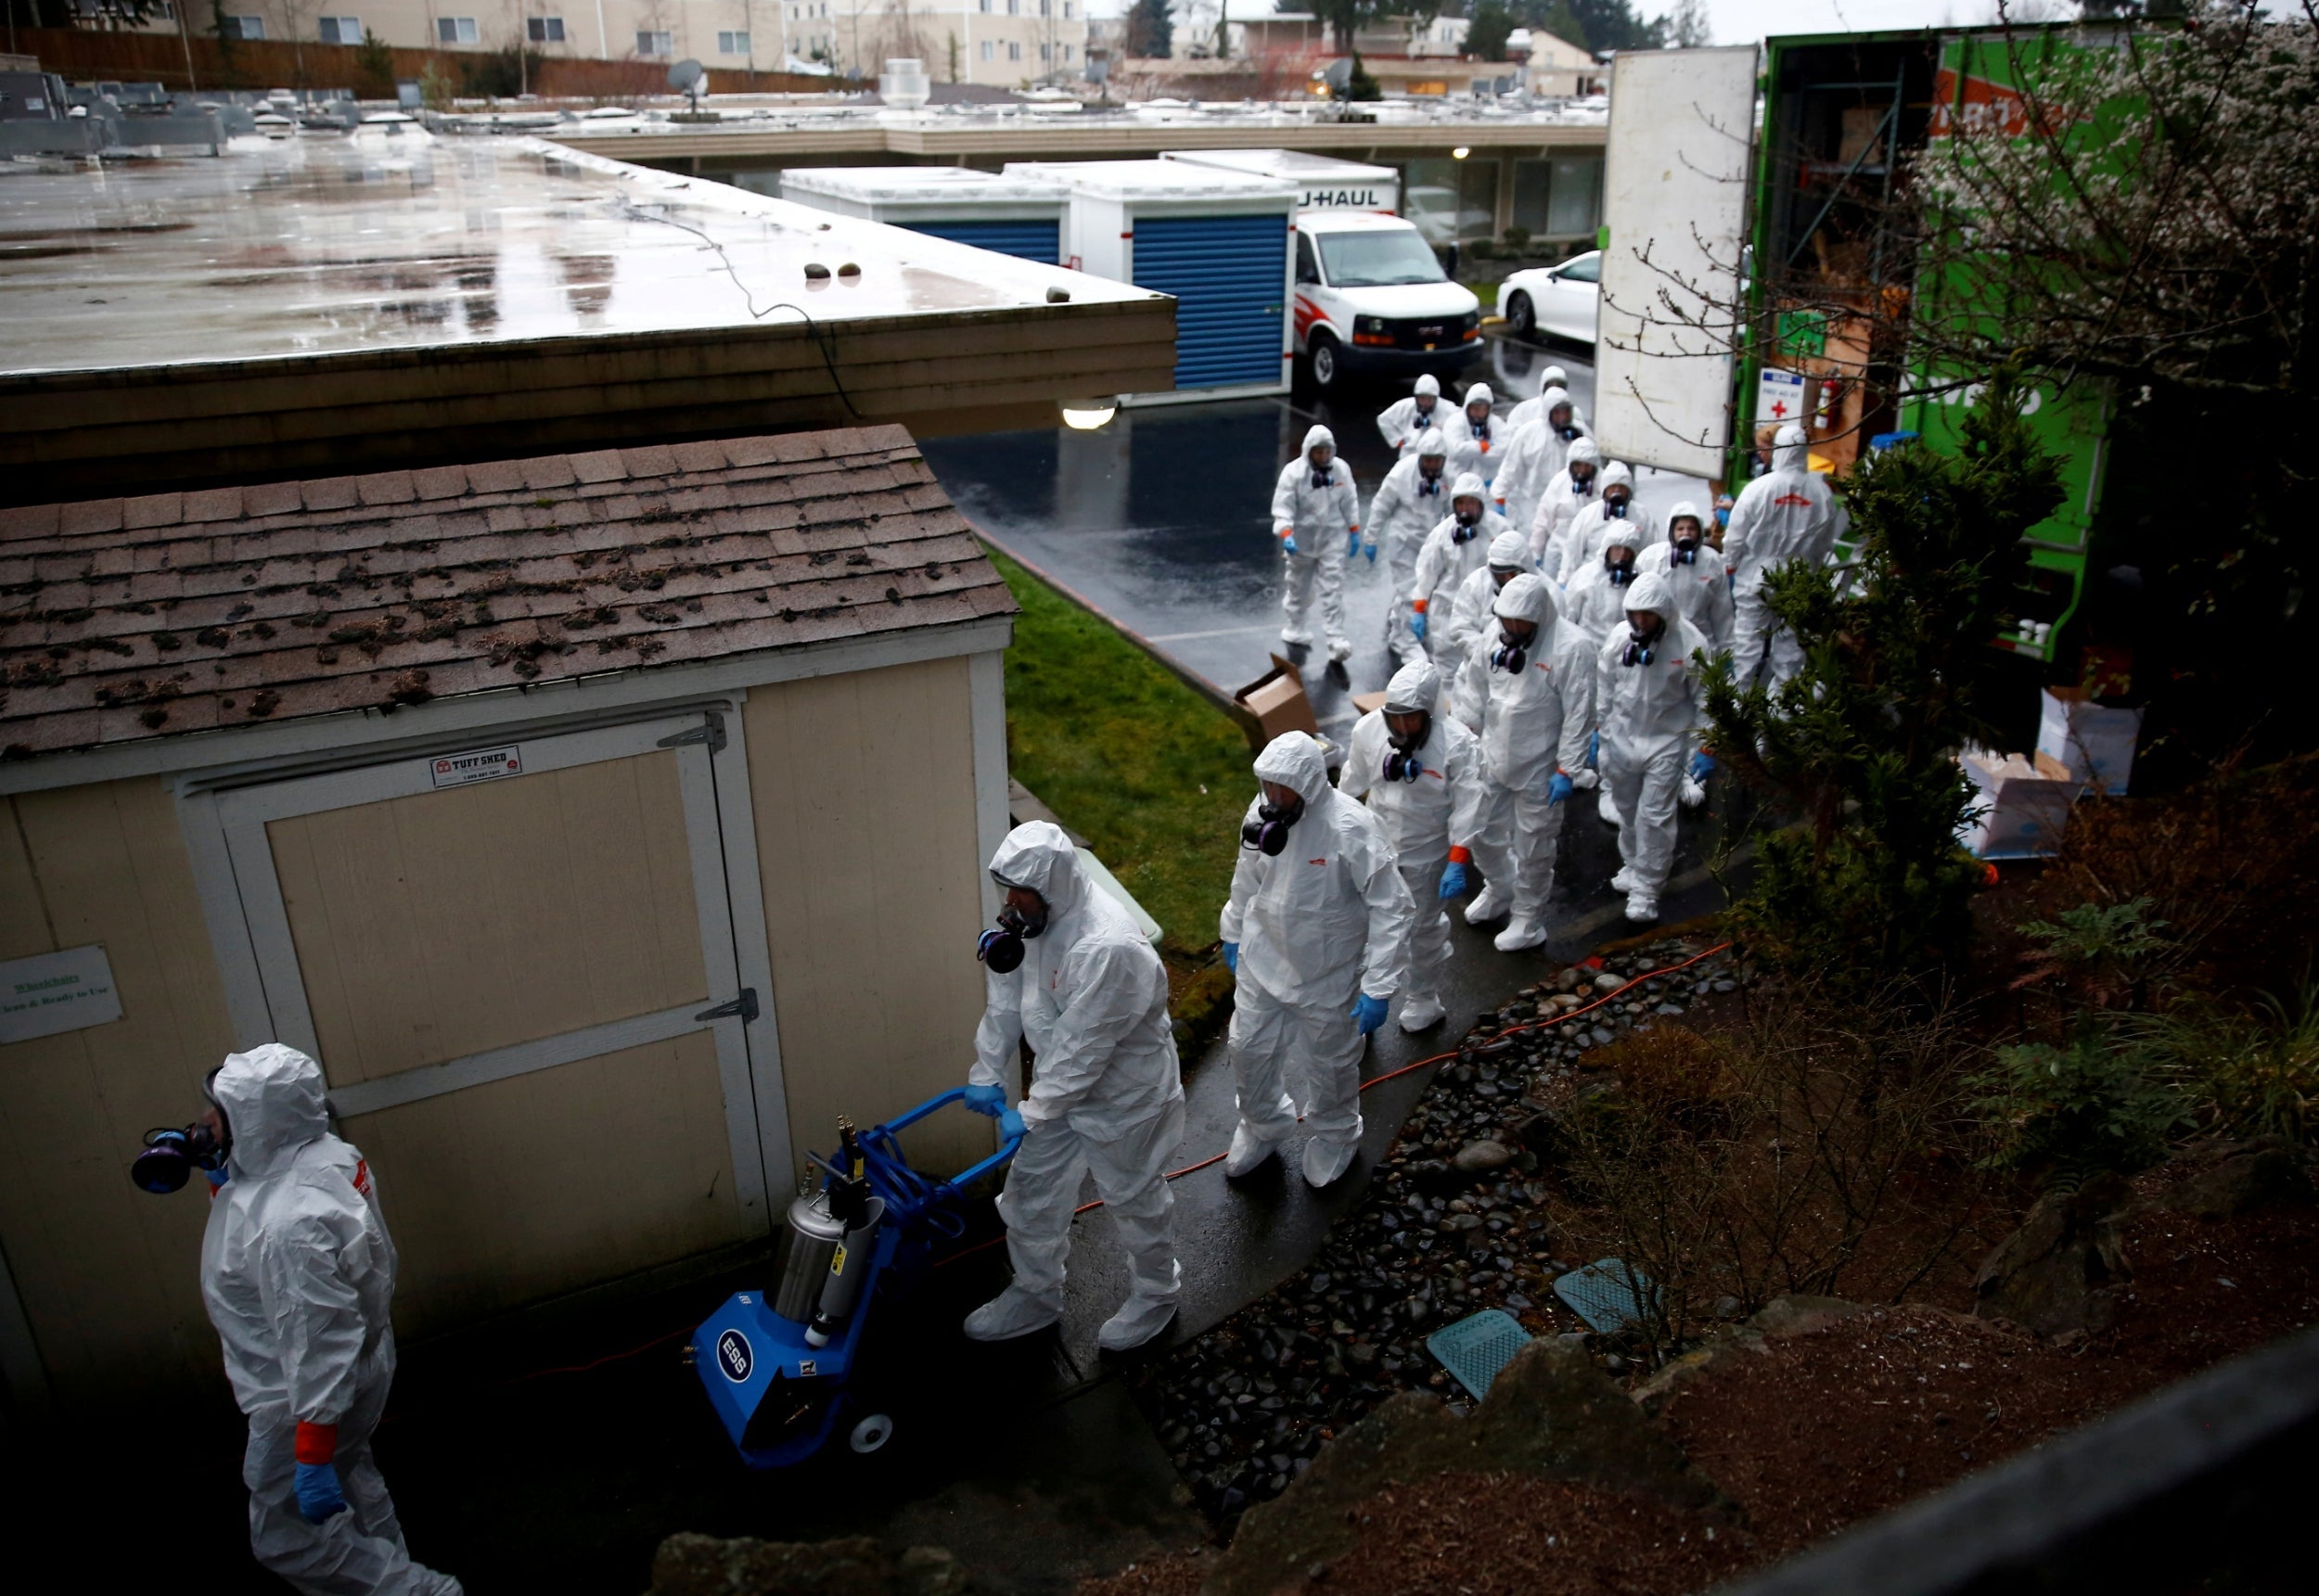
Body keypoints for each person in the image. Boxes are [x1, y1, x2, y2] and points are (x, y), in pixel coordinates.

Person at [196, 1043, 462, 1596]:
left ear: (254, 1122)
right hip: (353, 1369)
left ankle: (418, 1593)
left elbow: (317, 1332)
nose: (203, 1122)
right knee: (353, 1484)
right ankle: (388, 1565)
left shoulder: (287, 1226)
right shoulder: (323, 1154)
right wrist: (225, 1176)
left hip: (300, 1395)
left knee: (288, 1537)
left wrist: (311, 1445)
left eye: (218, 1112)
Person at [962, 822, 1185, 1350]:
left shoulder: (1107, 946)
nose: (1011, 903)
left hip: (1125, 1095)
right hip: (1058, 1089)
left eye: (1022, 892)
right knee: (1030, 1192)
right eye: (1007, 890)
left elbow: (1083, 1050)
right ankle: (1036, 1294)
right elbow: (1005, 1003)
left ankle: (1157, 1293)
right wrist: (987, 1072)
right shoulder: (1029, 925)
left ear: (1054, 887)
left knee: (1133, 1198)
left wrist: (1034, 1111)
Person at [1220, 732, 1414, 1187]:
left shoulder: (1351, 827)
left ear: (1307, 783)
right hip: (1263, 960)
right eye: (1266, 785)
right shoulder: (1262, 814)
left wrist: (1378, 987)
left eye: (1280, 788)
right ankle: (1262, 1124)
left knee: (1329, 1065)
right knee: (1248, 1050)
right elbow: (1246, 875)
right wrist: (1232, 930)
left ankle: (1335, 1135)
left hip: (1327, 974)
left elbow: (1392, 905)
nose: (1271, 797)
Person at [1340, 660, 1484, 1032]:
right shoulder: (1369, 730)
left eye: (1412, 720)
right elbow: (1348, 788)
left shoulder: (1458, 745)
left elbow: (1470, 803)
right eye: (1396, 719)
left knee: (1422, 929)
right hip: (1375, 848)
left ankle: (1424, 998)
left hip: (1428, 854)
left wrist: (1458, 857)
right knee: (1365, 924)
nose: (1403, 729)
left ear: (1431, 712)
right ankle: (1363, 994)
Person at [1461, 573, 1591, 951]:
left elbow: (1579, 713)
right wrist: (1465, 740)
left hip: (1540, 767)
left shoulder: (1571, 647)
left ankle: (1528, 919)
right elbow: (1474, 688)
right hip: (1492, 754)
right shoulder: (1493, 635)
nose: (1512, 630)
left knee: (1534, 845)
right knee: (1480, 828)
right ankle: (1499, 887)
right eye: (1507, 621)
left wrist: (1568, 767)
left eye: (1521, 623)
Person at [1594, 568, 1712, 923]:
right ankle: (1633, 864)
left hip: (1667, 743)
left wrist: (1707, 747)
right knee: (1627, 810)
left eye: (1649, 615)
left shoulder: (1690, 644)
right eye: (1635, 614)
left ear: (1665, 612)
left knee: (1655, 817)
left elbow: (1707, 700)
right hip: (1623, 740)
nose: (1641, 622)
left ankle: (1647, 889)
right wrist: (1598, 733)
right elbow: (1605, 689)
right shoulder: (1619, 640)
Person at [1724, 423, 1845, 692]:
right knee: (1790, 649)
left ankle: (1741, 704)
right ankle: (1783, 710)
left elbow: (1735, 535)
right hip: (1800, 579)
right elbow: (1825, 544)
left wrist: (1730, 563)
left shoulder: (1759, 489)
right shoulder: (1821, 493)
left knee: (1747, 644)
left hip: (1756, 577)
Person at [1636, 502, 1735, 811]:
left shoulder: (1712, 563)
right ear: (1670, 531)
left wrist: (1727, 652)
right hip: (1661, 645)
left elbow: (1723, 612)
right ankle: (1653, 769)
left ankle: (1692, 774)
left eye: (1691, 528)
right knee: (1659, 708)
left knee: (1697, 712)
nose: (1686, 534)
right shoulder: (1653, 559)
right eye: (1680, 528)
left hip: (1700, 648)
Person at [1270, 423, 1362, 663]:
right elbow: (1283, 506)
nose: (1323, 456)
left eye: (1326, 452)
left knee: (1333, 589)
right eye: (1318, 452)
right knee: (1298, 587)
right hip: (1301, 541)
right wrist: (1286, 533)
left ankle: (1335, 638)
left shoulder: (1341, 470)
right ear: (1308, 451)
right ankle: (1295, 626)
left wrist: (1353, 528)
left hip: (1332, 539)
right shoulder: (1294, 473)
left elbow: (1350, 500)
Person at [1366, 427, 1453, 659]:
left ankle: (1403, 627)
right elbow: (1381, 505)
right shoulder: (1402, 473)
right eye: (1429, 461)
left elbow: (1453, 512)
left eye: (1438, 461)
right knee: (1409, 591)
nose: (1433, 466)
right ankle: (1403, 641)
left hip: (1430, 544)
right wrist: (1370, 538)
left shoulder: (1447, 478)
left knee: (1427, 589)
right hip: (1403, 541)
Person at [1408, 472, 1503, 656]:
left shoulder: (1499, 529)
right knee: (1448, 670)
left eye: (1470, 503)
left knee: (1485, 667)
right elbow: (1427, 572)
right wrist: (1419, 607)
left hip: (1488, 611)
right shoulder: (1442, 533)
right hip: (1447, 612)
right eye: (1460, 503)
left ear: (1481, 503)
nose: (1465, 509)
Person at [1440, 528, 1534, 689]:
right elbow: (1460, 628)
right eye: (1501, 575)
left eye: (1513, 574)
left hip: (1526, 680)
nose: (1507, 580)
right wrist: (1492, 653)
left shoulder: (1545, 592)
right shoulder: (1476, 584)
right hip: (1479, 676)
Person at [1490, 385, 1585, 538]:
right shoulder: (1528, 434)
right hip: (1531, 507)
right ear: (1548, 412)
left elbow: (1594, 467)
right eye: (1558, 413)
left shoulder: (1580, 435)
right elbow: (1510, 469)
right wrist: (1499, 497)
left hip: (1567, 508)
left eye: (1566, 413)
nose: (1562, 418)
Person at [1552, 459, 1646, 588]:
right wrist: (1566, 581)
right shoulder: (1588, 515)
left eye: (1622, 488)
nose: (1617, 492)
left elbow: (1647, 553)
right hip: (1590, 583)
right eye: (1612, 487)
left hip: (1628, 584)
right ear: (1604, 490)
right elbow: (1573, 552)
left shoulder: (1642, 516)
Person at [1530, 437, 1601, 574]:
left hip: (1590, 555)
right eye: (1578, 465)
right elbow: (1543, 519)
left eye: (1587, 466)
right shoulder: (1559, 482)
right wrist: (1535, 552)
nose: (1582, 471)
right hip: (1558, 549)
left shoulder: (1604, 485)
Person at [1441, 381, 1501, 487]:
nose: (1479, 413)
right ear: (1468, 406)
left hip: (1487, 486)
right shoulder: (1455, 422)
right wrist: (1481, 447)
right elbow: (1456, 450)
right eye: (1476, 409)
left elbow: (1503, 452)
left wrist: (1472, 451)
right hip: (1457, 484)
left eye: (1483, 409)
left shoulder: (1497, 424)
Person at [1377, 373, 1446, 457]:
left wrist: (1443, 430)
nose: (1425, 403)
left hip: (1434, 457)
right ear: (1416, 397)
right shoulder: (1405, 406)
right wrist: (1397, 441)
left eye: (1429, 399)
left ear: (1436, 398)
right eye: (1422, 398)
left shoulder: (1447, 409)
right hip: (1409, 454)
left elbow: (1460, 421)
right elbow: (1383, 419)